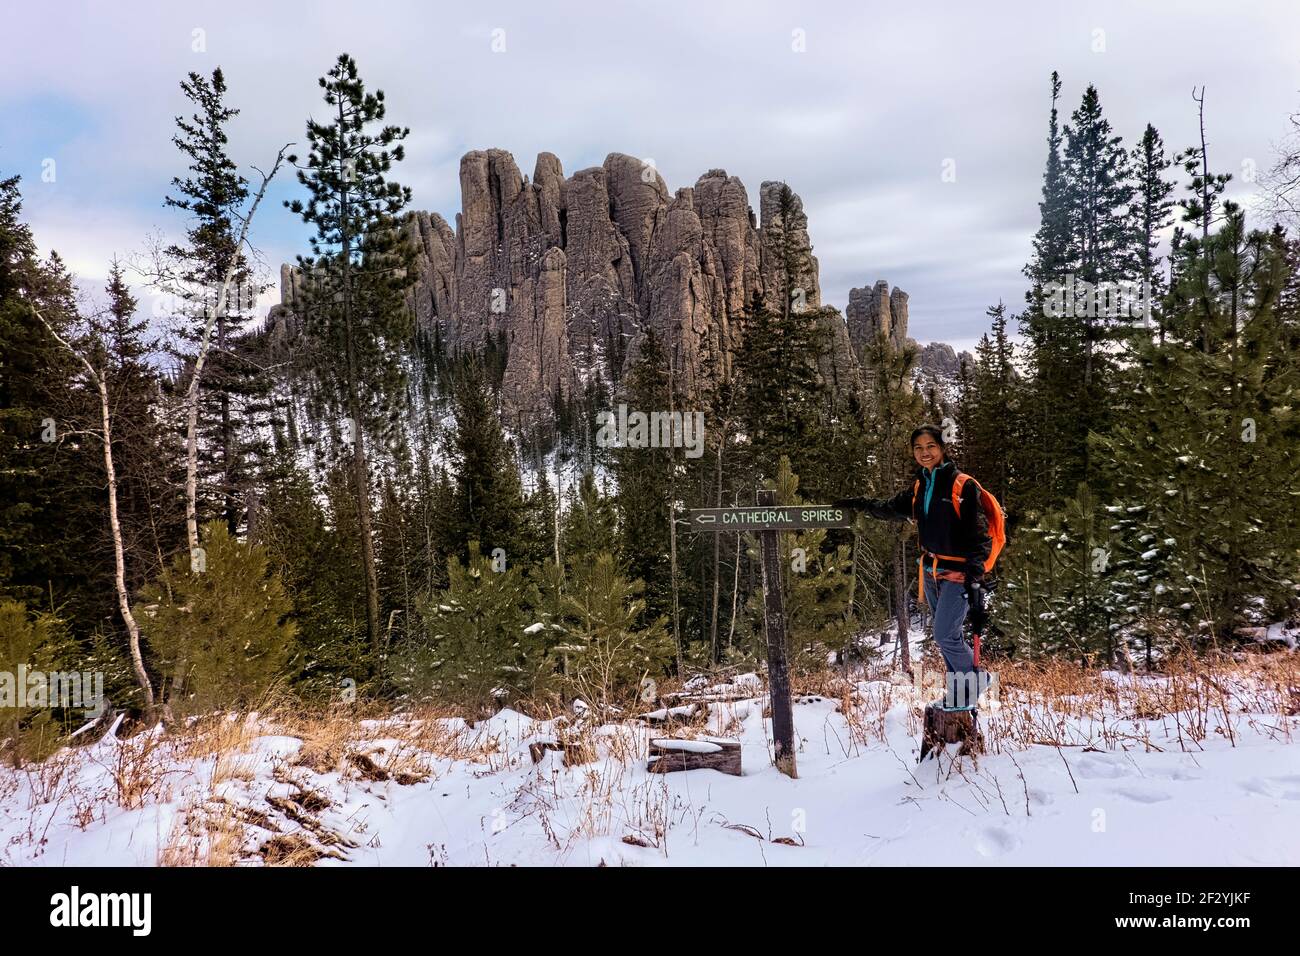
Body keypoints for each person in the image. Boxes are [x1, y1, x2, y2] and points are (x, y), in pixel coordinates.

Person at [835, 425, 992, 709]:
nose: (924, 452)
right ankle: (959, 693)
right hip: (931, 572)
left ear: (943, 448)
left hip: (958, 574)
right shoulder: (921, 486)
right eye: (918, 448)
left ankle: (973, 681)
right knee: (949, 637)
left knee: (944, 634)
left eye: (930, 446)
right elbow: (890, 508)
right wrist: (858, 504)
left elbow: (979, 536)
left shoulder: (962, 486)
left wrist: (975, 577)